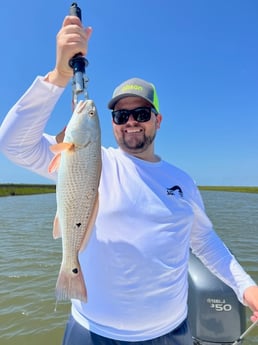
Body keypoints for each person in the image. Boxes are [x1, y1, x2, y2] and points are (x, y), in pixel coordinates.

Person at [0, 14, 257, 345]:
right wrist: (60, 75)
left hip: (171, 334)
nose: (131, 122)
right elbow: (13, 144)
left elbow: (206, 243)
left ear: (158, 120)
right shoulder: (94, 159)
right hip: (92, 332)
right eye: (121, 116)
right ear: (112, 123)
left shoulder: (183, 182)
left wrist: (247, 288)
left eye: (142, 113)